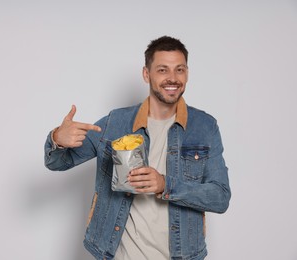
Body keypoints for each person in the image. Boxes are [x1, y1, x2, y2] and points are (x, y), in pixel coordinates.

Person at [44, 36, 231, 260]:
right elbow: (57, 162)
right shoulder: (115, 123)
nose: (172, 78)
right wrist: (57, 138)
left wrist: (165, 184)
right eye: (162, 70)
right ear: (146, 74)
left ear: (187, 73)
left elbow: (220, 198)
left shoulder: (205, 126)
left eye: (179, 69)